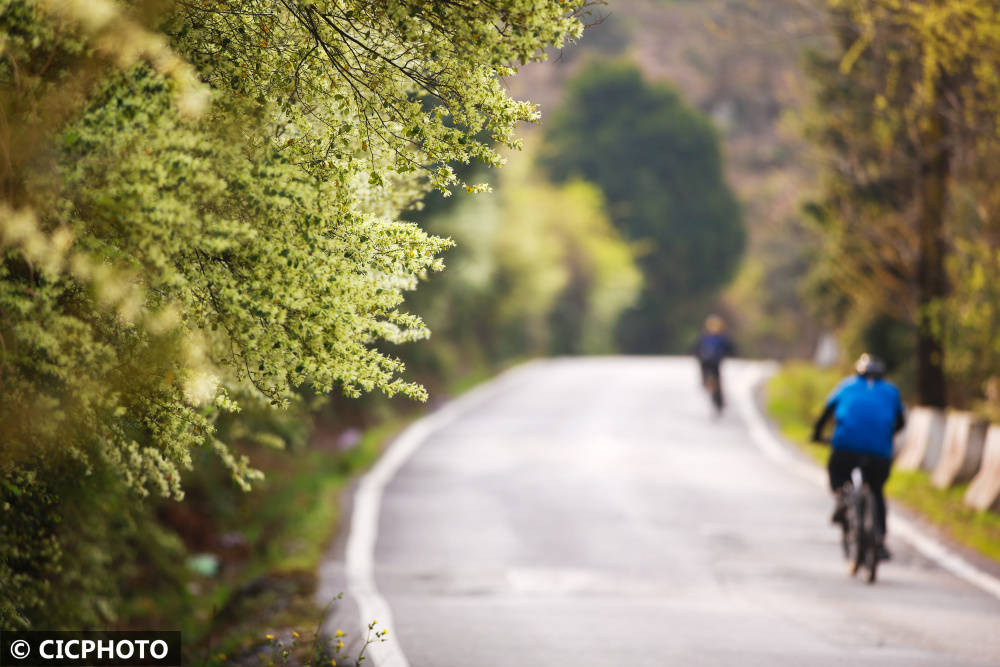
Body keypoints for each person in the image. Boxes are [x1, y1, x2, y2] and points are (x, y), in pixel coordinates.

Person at [811, 353, 905, 560]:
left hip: (845, 446)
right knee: (877, 490)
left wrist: (817, 435)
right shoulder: (891, 391)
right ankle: (879, 540)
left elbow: (826, 413)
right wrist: (886, 435)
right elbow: (901, 423)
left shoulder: (846, 386)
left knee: (836, 472)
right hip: (879, 452)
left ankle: (842, 500)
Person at [693, 314, 735, 412]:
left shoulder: (721, 338)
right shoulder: (705, 336)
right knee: (707, 381)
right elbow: (696, 348)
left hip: (715, 362)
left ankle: (718, 399)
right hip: (705, 362)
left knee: (717, 381)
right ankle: (712, 391)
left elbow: (730, 348)